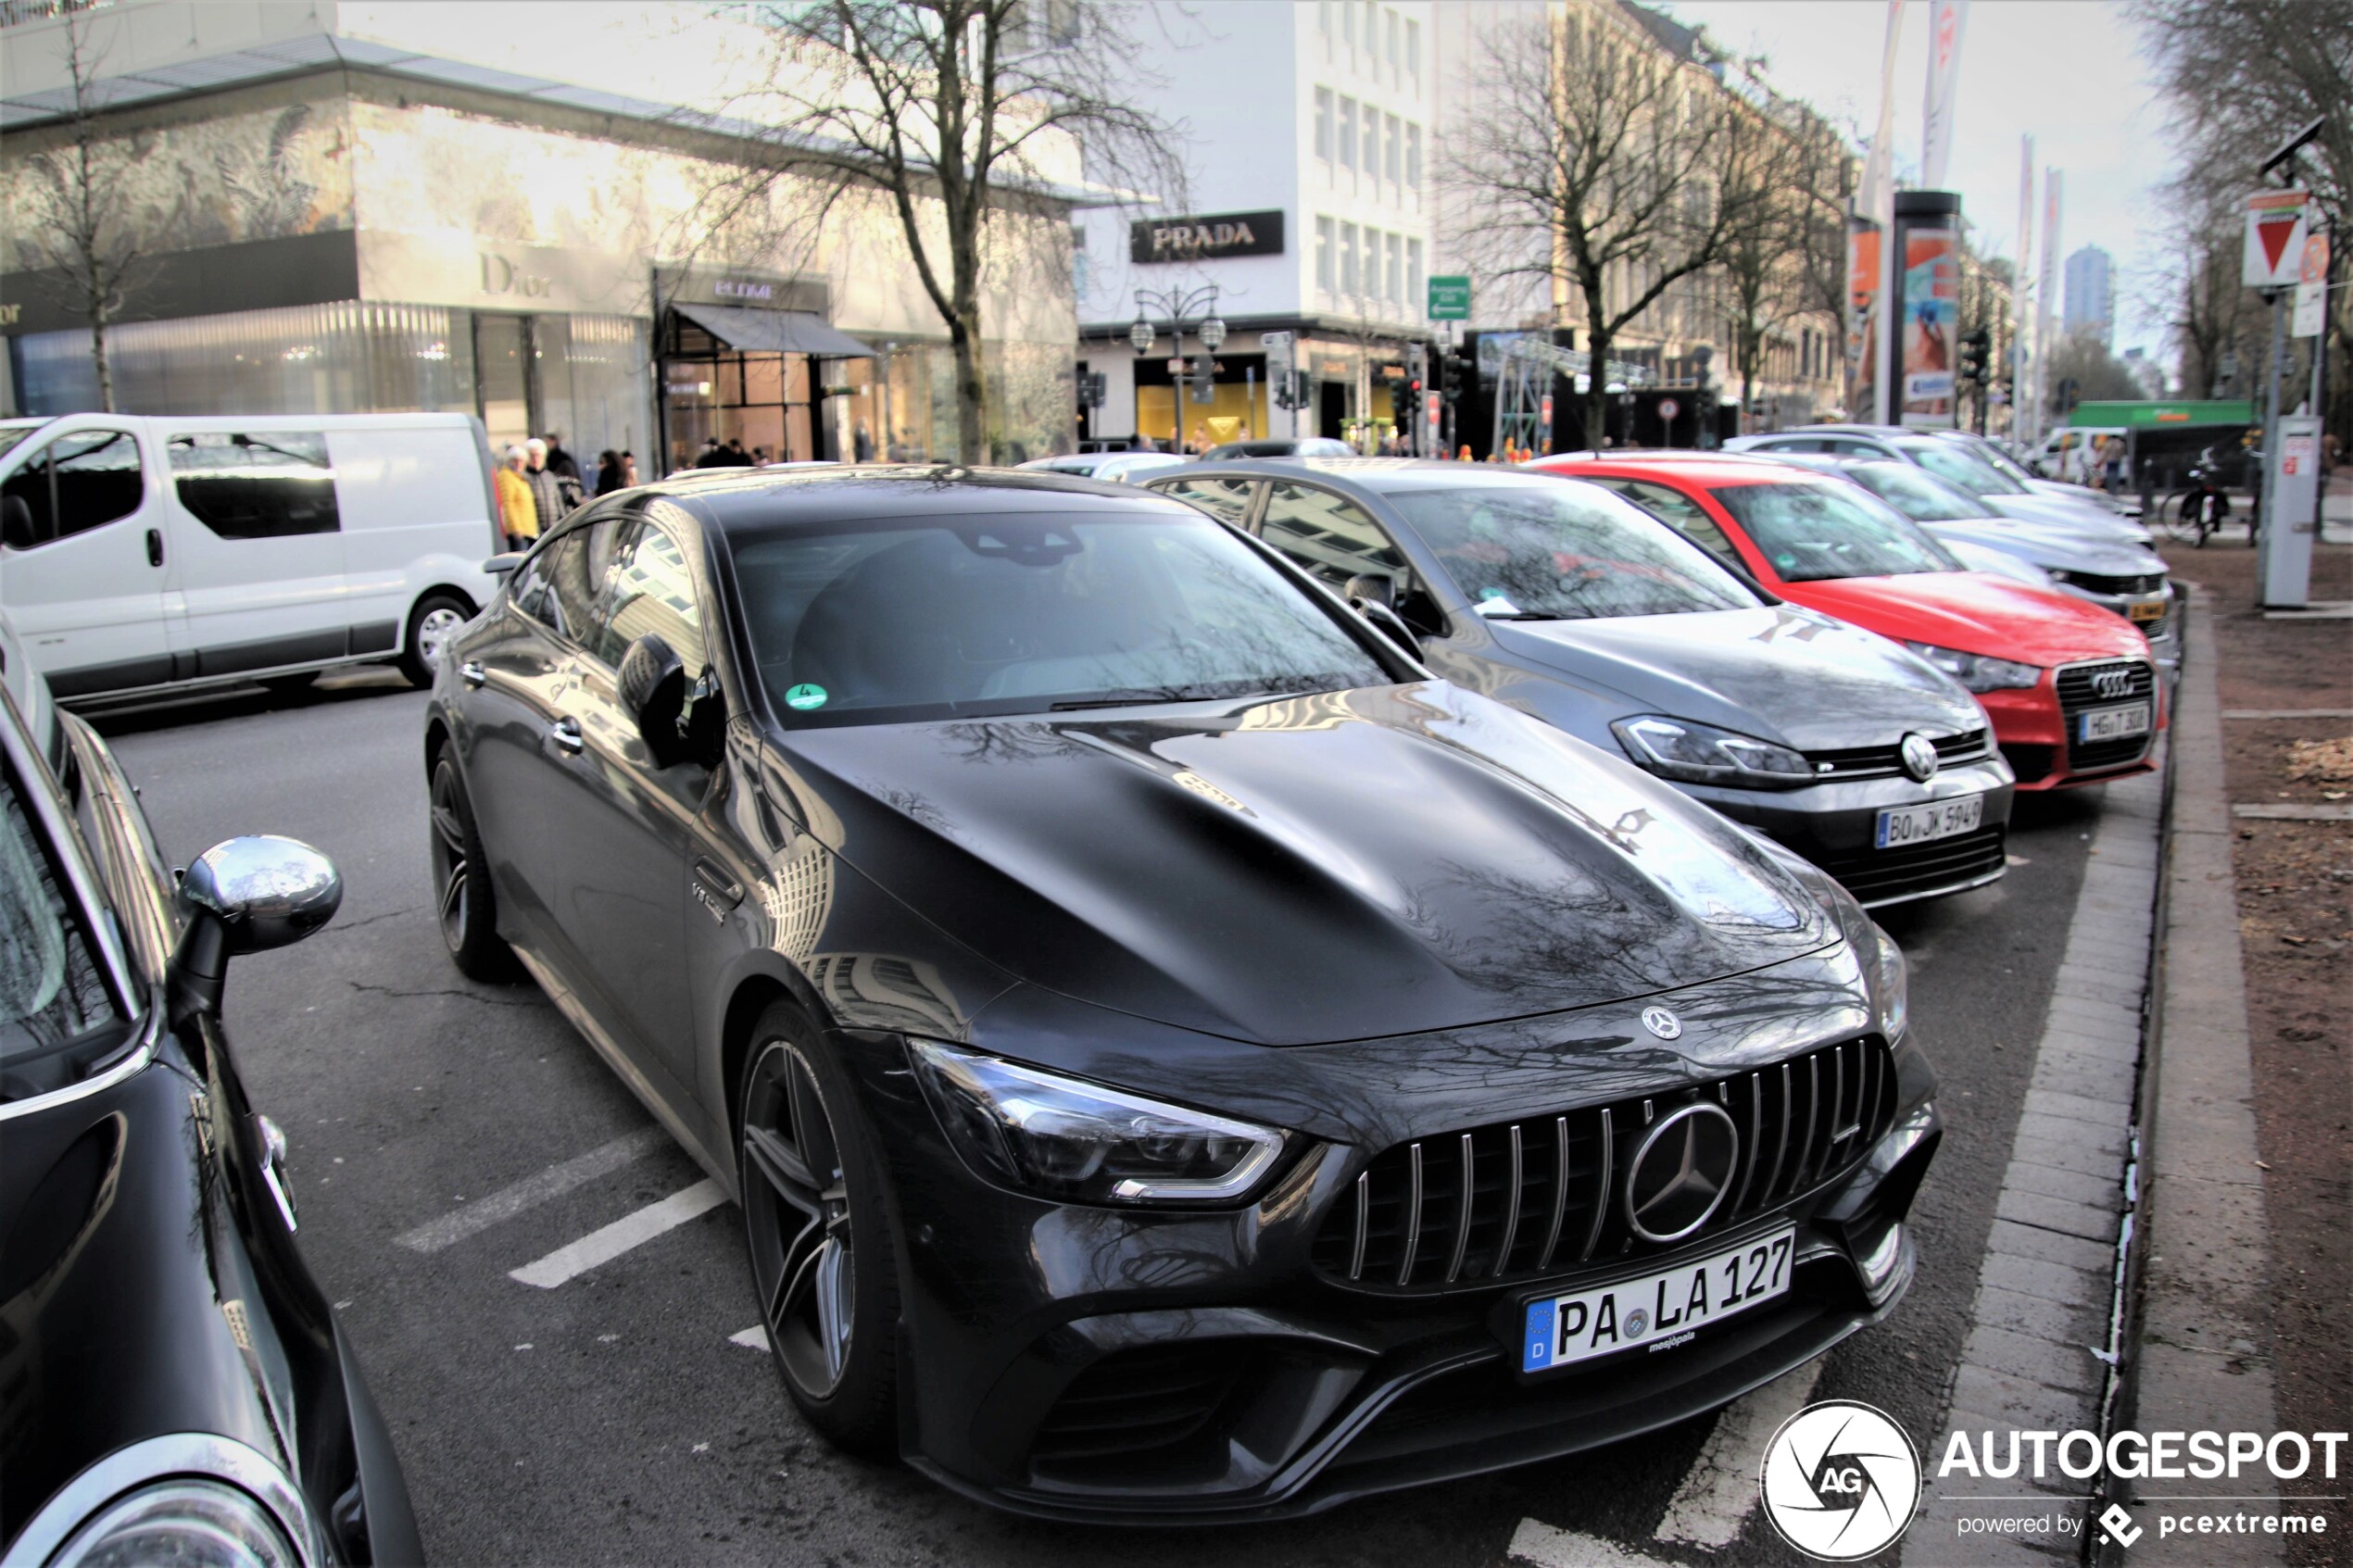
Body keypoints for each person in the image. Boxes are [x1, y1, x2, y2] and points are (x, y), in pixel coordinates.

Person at [523, 438, 579, 529]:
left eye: (538, 455)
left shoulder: (549, 476)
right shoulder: (524, 478)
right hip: (534, 530)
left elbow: (558, 501)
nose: (535, 459)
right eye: (532, 456)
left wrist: (564, 523)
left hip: (553, 528)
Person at [495, 445, 537, 551]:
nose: (519, 464)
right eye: (515, 460)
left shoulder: (519, 477)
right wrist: (515, 528)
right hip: (519, 532)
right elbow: (507, 503)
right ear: (509, 461)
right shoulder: (506, 476)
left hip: (528, 530)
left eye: (522, 461)